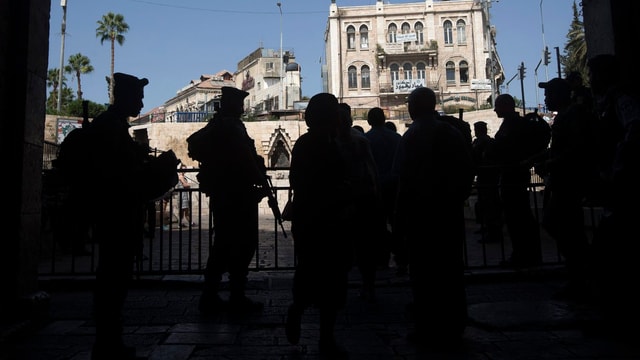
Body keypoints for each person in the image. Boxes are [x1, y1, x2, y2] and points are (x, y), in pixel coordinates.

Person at [88, 73, 178, 360]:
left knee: (115, 277)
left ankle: (110, 339)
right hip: (116, 214)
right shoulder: (111, 128)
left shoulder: (113, 126)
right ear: (125, 97)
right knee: (113, 278)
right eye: (137, 97)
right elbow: (121, 175)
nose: (141, 102)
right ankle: (108, 342)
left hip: (119, 212)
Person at [392, 87, 474, 347]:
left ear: (415, 107)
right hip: (447, 210)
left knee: (424, 270)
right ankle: (454, 322)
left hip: (421, 213)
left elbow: (402, 178)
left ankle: (427, 325)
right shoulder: (450, 132)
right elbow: (466, 168)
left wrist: (400, 213)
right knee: (451, 267)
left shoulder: (412, 135)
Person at [285, 93, 353, 358]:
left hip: (308, 220)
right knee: (333, 279)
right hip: (328, 221)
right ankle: (326, 338)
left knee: (308, 270)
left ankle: (298, 309)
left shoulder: (304, 143)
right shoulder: (328, 144)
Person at [198, 86, 267, 314]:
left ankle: (213, 294)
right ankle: (234, 295)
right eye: (239, 103)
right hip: (236, 194)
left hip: (226, 193)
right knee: (240, 244)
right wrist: (258, 177)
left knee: (224, 244)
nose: (241, 107)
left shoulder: (219, 126)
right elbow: (244, 158)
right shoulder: (231, 126)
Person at [587, 54, 640, 334]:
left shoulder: (622, 100)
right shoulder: (606, 103)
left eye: (594, 74)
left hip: (626, 189)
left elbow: (634, 130)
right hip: (616, 189)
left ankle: (621, 318)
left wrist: (618, 167)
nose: (591, 80)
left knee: (614, 254)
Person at [536, 78, 596, 302]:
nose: (545, 98)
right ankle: (580, 273)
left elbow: (578, 149)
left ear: (561, 95)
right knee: (559, 225)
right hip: (562, 180)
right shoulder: (566, 117)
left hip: (569, 181)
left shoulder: (573, 116)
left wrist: (552, 163)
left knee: (566, 227)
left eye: (549, 94)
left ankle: (582, 275)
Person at [490, 94, 543, 268]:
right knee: (516, 217)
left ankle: (526, 255)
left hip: (514, 174)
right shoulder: (510, 123)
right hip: (510, 173)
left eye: (497, 106)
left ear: (506, 106)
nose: (494, 109)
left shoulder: (515, 125)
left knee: (519, 217)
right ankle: (523, 253)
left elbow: (509, 147)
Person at [337, 102, 382, 302]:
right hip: (362, 201)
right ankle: (368, 286)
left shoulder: (332, 143)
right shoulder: (360, 141)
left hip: (345, 202)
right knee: (365, 247)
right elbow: (372, 172)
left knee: (349, 248)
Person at [363, 107, 404, 274]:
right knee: (398, 225)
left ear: (369, 121)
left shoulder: (366, 140)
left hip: (376, 188)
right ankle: (401, 259)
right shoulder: (397, 138)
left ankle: (382, 259)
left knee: (378, 226)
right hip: (395, 186)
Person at [471, 121, 503, 244]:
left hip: (487, 176)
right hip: (485, 176)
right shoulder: (482, 141)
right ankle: (488, 228)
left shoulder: (484, 142)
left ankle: (493, 231)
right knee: (484, 204)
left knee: (489, 204)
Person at [176, 163, 196, 227]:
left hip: (184, 195)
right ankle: (189, 223)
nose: (184, 170)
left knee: (185, 211)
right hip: (182, 196)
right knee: (184, 211)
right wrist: (191, 185)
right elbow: (185, 185)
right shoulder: (181, 176)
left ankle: (181, 223)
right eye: (183, 169)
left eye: (185, 169)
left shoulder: (183, 176)